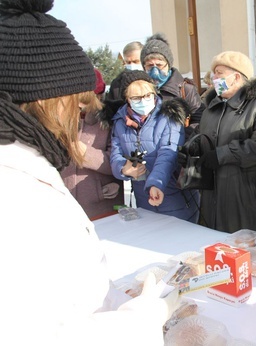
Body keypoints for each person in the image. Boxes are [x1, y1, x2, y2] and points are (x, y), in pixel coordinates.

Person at [0, 1, 179, 345]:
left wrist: (117, 300)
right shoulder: (15, 194)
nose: (80, 112)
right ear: (46, 100)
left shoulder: (27, 167)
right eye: (75, 100)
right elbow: (42, 333)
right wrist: (147, 314)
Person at [194, 51, 256, 236]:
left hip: (247, 196)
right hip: (214, 195)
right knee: (218, 250)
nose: (214, 77)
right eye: (213, 73)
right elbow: (204, 136)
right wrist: (193, 148)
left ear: (236, 76)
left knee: (249, 253)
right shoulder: (212, 106)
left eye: (219, 72)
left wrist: (221, 155)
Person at [109, 70, 199, 222]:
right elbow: (115, 154)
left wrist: (155, 183)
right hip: (142, 198)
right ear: (127, 99)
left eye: (148, 95)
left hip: (174, 195)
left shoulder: (169, 115)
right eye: (136, 97)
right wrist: (123, 169)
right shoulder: (119, 121)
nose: (144, 101)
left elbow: (168, 153)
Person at [60, 69, 124, 220]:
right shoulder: (61, 121)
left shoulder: (109, 121)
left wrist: (84, 152)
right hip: (66, 205)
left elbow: (118, 163)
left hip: (101, 205)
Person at [141, 33, 204, 137]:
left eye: (159, 65)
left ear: (168, 64)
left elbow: (198, 119)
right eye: (150, 66)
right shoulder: (139, 89)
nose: (155, 70)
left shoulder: (185, 89)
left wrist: (182, 139)